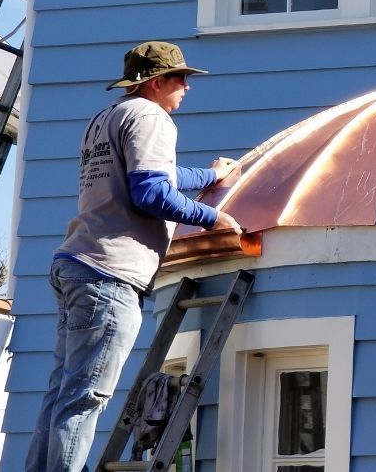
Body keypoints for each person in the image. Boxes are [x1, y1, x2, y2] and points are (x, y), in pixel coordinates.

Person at [26, 41, 242, 472]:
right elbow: (151, 192)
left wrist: (211, 175)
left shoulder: (108, 117)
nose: (187, 86)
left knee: (61, 393)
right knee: (85, 396)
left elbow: (156, 174)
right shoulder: (151, 117)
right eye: (180, 78)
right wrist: (212, 217)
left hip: (77, 264)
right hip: (110, 272)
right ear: (156, 82)